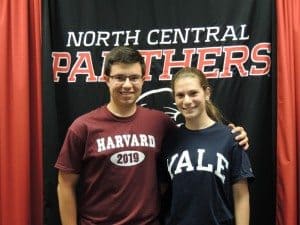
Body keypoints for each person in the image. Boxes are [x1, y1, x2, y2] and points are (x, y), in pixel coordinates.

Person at [55, 46, 249, 225]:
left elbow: (197, 136)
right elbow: (65, 184)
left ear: (143, 79)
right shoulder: (83, 127)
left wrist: (233, 134)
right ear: (107, 79)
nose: (127, 85)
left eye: (134, 77)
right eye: (120, 78)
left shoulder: (160, 123)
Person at [160, 67, 254, 225]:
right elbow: (160, 192)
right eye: (180, 95)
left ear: (207, 93)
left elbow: (241, 196)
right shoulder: (169, 140)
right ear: (174, 99)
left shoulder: (230, 138)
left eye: (193, 93)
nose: (187, 101)